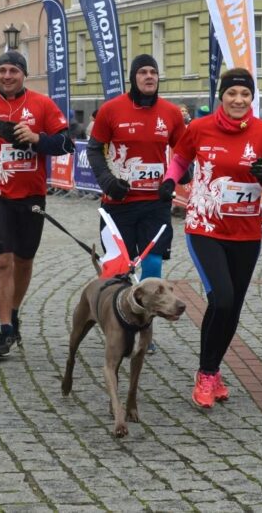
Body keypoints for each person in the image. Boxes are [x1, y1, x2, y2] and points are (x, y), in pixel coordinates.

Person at [162, 68, 262, 407]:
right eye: (232, 93)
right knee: (222, 299)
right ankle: (205, 373)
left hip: (246, 232)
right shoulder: (199, 128)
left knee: (233, 308)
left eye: (245, 94)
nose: (239, 100)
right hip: (205, 227)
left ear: (251, 98)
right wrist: (171, 181)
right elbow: (181, 159)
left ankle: (213, 372)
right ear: (222, 96)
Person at [0, 50, 73, 359]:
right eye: (2, 70)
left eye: (13, 71)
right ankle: (6, 328)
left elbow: (65, 143)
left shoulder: (42, 104)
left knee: (24, 260)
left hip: (32, 196)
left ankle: (14, 309)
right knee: (2, 260)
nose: (7, 76)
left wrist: (36, 138)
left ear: (24, 74)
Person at [86, 53, 185, 355]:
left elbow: (183, 153)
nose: (149, 76)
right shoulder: (112, 110)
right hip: (118, 203)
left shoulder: (170, 113)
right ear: (133, 77)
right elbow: (93, 149)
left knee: (152, 262)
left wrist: (175, 179)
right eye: (142, 72)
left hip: (154, 202)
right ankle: (114, 322)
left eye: (153, 72)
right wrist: (107, 181)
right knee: (119, 268)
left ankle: (146, 329)